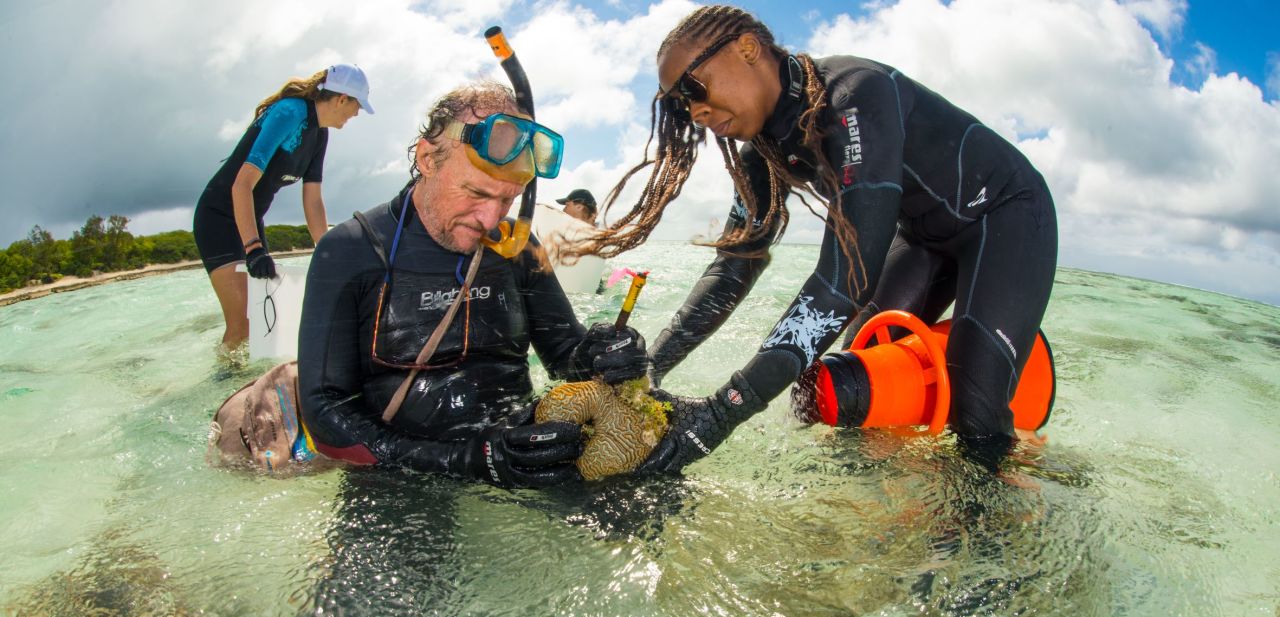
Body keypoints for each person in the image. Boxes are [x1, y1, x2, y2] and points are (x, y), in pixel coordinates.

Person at [580, 5, 1058, 473]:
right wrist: (651, 370)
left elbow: (845, 280)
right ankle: (888, 502)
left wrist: (723, 411)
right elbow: (732, 269)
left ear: (747, 49)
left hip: (1005, 214)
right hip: (922, 238)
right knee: (851, 387)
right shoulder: (763, 156)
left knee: (975, 411)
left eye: (693, 87)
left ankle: (1008, 516)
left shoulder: (855, 96)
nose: (696, 110)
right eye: (680, 104)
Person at [296, 82, 649, 487]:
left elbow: (566, 355)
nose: (489, 218)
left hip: (515, 452)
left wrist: (606, 354)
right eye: (475, 192)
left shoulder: (515, 245)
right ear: (427, 158)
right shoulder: (348, 250)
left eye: (507, 200)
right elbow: (324, 410)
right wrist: (459, 460)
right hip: (399, 472)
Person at [194, 64, 373, 352]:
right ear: (342, 98)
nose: (356, 114)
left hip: (251, 221)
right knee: (243, 325)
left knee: (268, 326)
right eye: (357, 106)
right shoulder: (290, 112)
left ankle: (250, 383)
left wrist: (328, 252)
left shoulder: (320, 134)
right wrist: (254, 249)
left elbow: (312, 199)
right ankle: (221, 386)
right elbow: (241, 185)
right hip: (220, 218)